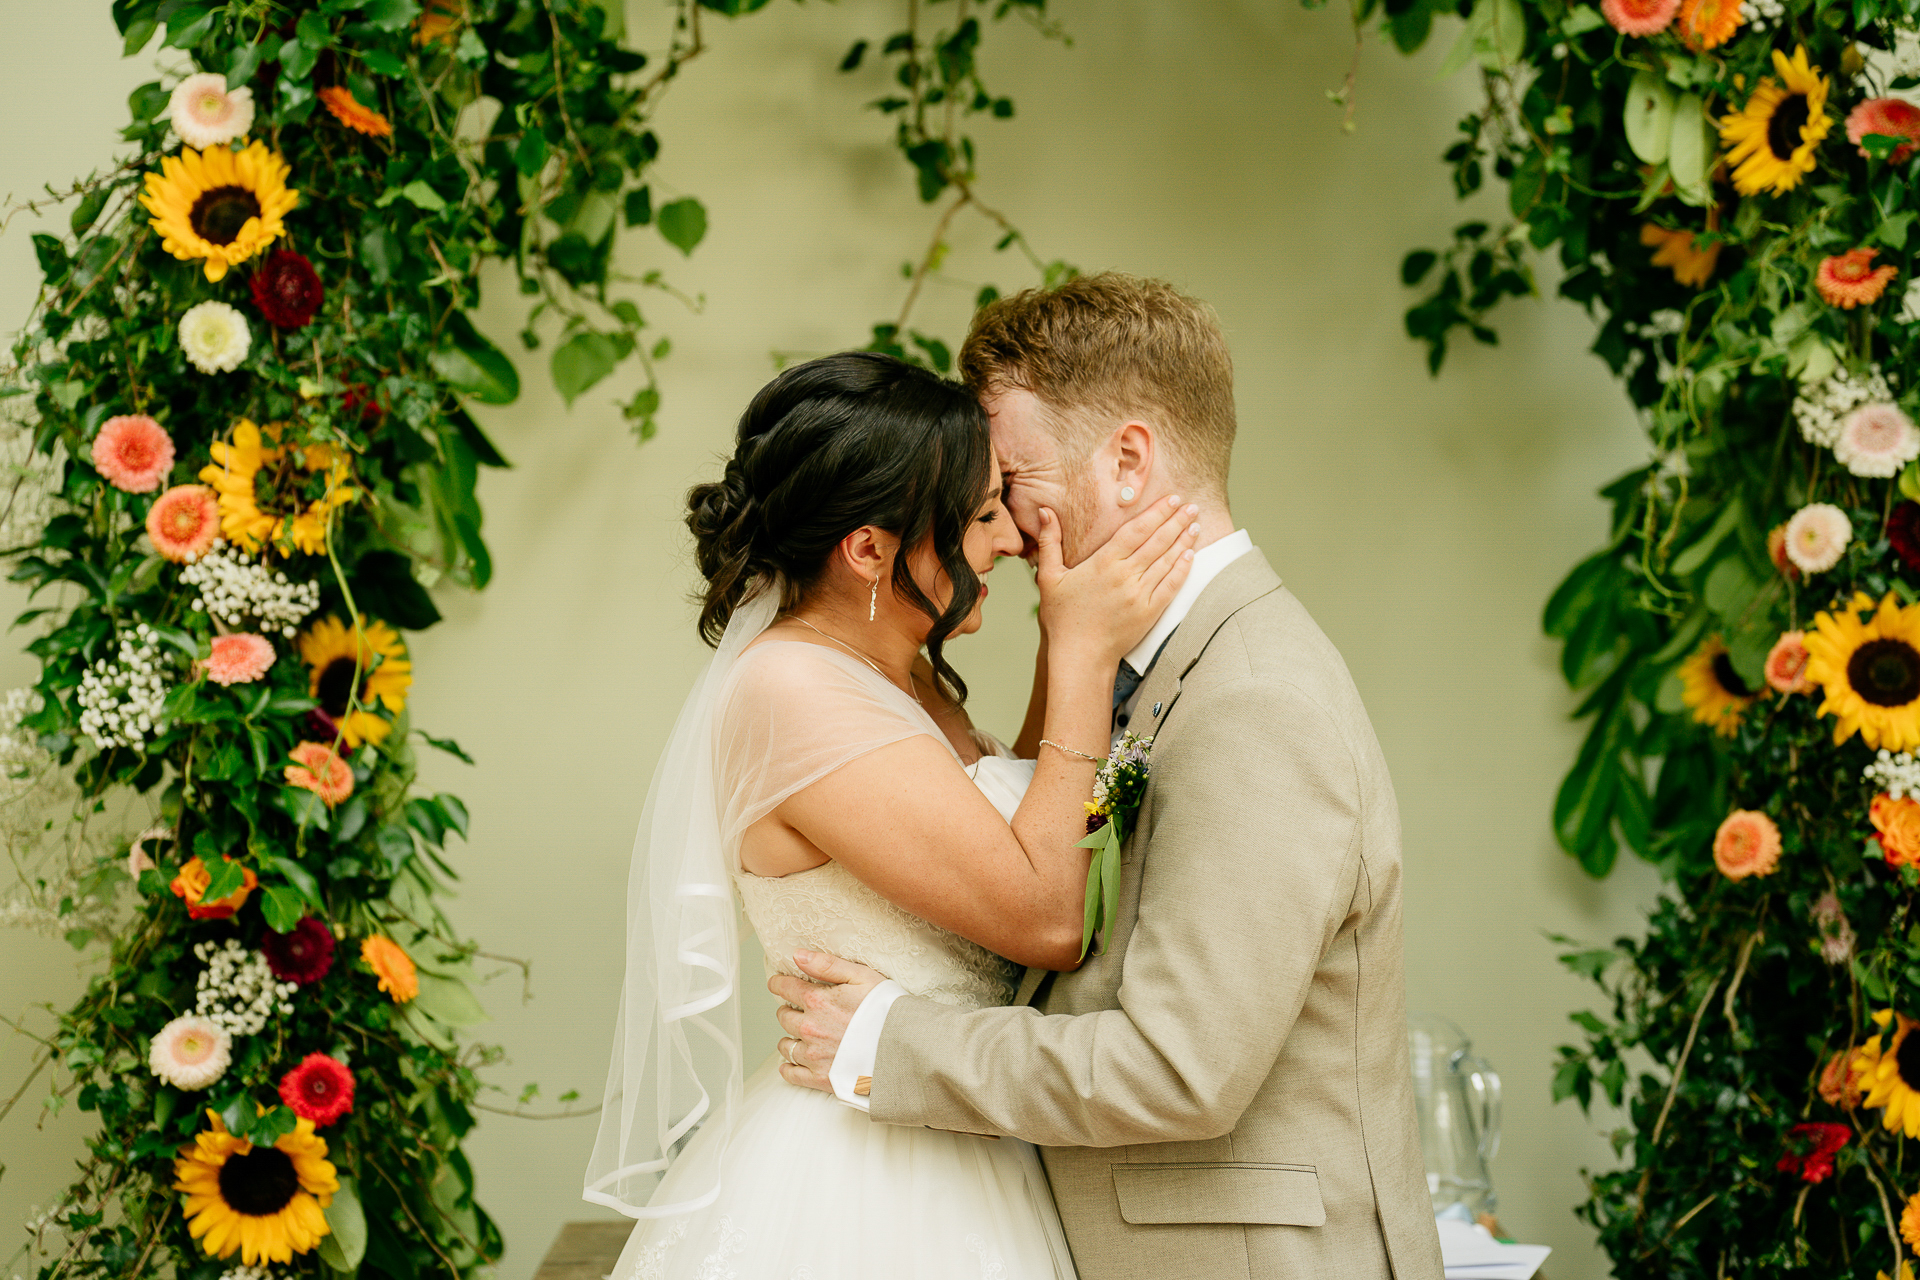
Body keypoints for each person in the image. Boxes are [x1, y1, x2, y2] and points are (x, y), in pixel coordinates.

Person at [772, 275, 1446, 1279]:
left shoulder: (1255, 699)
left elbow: (1178, 1067)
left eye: (1010, 476)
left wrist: (889, 1038)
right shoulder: (1167, 666)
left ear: (1128, 460)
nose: (994, 518)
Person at [583, 349, 1201, 1278]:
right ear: (868, 548)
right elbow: (1045, 913)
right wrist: (1080, 653)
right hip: (865, 1180)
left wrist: (1060, 637)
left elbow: (1030, 811)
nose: (1011, 540)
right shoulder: (793, 690)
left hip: (964, 1127)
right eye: (982, 514)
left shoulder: (898, 670)